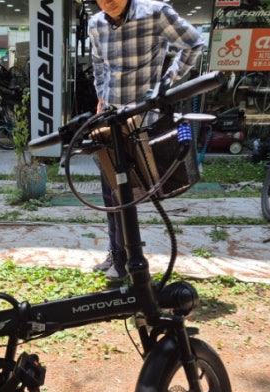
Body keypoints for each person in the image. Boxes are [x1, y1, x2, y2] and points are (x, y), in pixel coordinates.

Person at [88, 0, 205, 283]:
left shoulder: (155, 13)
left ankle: (127, 257)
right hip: (110, 121)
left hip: (141, 121)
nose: (107, 1)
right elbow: (99, 65)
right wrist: (101, 97)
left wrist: (165, 84)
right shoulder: (96, 24)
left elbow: (193, 44)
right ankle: (116, 252)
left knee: (125, 193)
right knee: (110, 192)